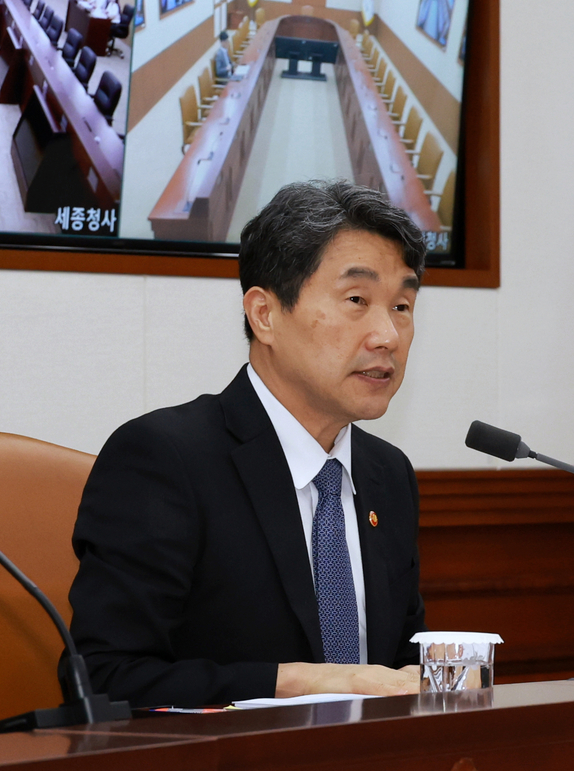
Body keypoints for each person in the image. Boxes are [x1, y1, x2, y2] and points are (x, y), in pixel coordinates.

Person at [65, 180, 428, 707]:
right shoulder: (166, 459)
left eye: (402, 306)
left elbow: (400, 667)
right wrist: (303, 683)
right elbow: (104, 679)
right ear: (265, 315)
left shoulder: (387, 474)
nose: (388, 336)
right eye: (357, 300)